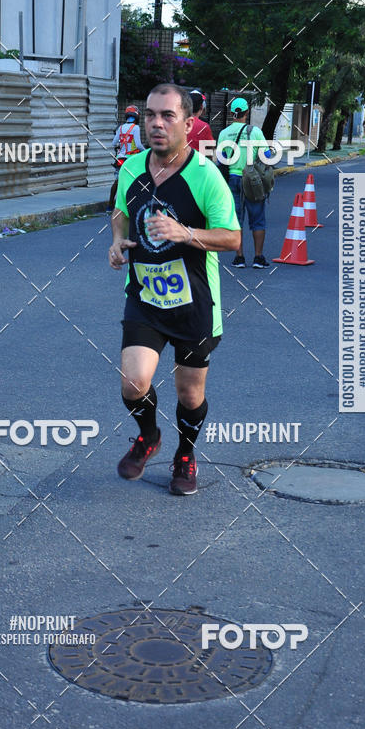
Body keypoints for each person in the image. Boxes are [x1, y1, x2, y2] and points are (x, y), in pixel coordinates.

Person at [109, 83, 241, 496]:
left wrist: (185, 232)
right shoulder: (131, 167)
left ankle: (186, 452)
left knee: (189, 392)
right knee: (134, 383)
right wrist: (117, 241)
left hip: (194, 306)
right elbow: (119, 212)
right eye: (150, 114)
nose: (156, 123)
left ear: (188, 123)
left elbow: (232, 238)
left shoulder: (206, 177)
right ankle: (148, 436)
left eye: (167, 116)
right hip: (145, 298)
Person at [217, 97, 269, 268]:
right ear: (247, 112)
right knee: (257, 219)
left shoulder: (224, 133)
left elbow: (221, 158)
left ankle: (239, 257)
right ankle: (258, 258)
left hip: (232, 179)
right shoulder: (255, 132)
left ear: (232, 113)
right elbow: (266, 156)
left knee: (236, 219)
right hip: (252, 179)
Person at [107, 106, 144, 212]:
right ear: (136, 116)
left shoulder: (121, 128)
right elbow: (138, 145)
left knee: (117, 181)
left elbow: (114, 143)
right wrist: (146, 151)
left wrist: (120, 146)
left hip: (120, 158)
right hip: (131, 159)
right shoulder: (136, 128)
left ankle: (110, 206)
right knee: (134, 181)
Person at [186, 90, 214, 155]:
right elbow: (209, 151)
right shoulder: (204, 126)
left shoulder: (177, 122)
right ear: (202, 107)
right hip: (196, 163)